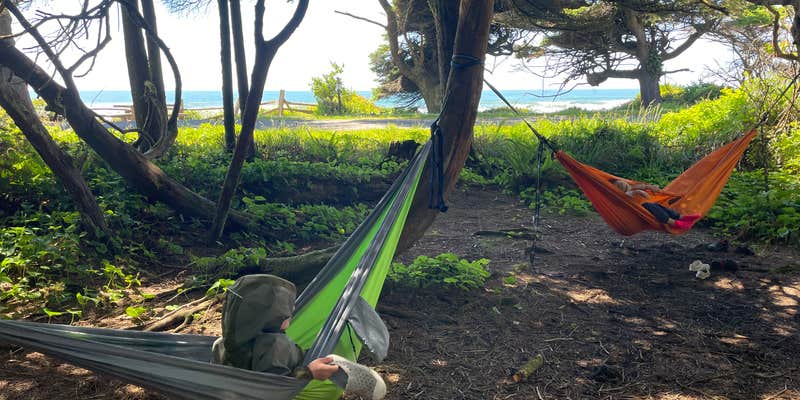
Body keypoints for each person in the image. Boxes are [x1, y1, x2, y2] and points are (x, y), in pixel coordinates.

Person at [211, 274, 387, 400]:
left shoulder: (222, 344)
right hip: (290, 376)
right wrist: (310, 373)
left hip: (242, 388)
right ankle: (328, 365)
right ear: (271, 319)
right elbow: (276, 390)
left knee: (309, 357)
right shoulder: (275, 347)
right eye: (286, 313)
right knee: (323, 362)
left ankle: (321, 361)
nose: (291, 314)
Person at [611, 179, 701, 230]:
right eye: (620, 187)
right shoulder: (622, 196)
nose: (624, 186)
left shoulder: (630, 188)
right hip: (636, 214)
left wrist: (649, 187)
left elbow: (640, 186)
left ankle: (681, 217)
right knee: (648, 205)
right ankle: (674, 223)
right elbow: (627, 195)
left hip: (646, 209)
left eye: (623, 184)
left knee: (658, 206)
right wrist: (638, 191)